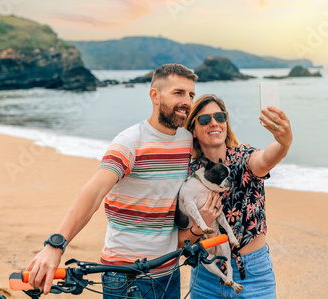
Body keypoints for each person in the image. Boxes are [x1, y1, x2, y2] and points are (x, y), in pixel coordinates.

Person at [25, 63, 219, 299]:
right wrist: (55, 246)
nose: (187, 102)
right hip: (126, 275)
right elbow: (94, 192)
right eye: (178, 93)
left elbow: (221, 154)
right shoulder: (129, 142)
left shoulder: (187, 141)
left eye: (191, 95)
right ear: (155, 96)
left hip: (169, 271)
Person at [183, 94, 292, 298]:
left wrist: (283, 144)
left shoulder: (243, 158)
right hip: (206, 275)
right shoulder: (189, 173)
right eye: (205, 119)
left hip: (252, 275)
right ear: (193, 131)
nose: (214, 122)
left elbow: (265, 160)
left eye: (220, 117)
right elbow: (182, 235)